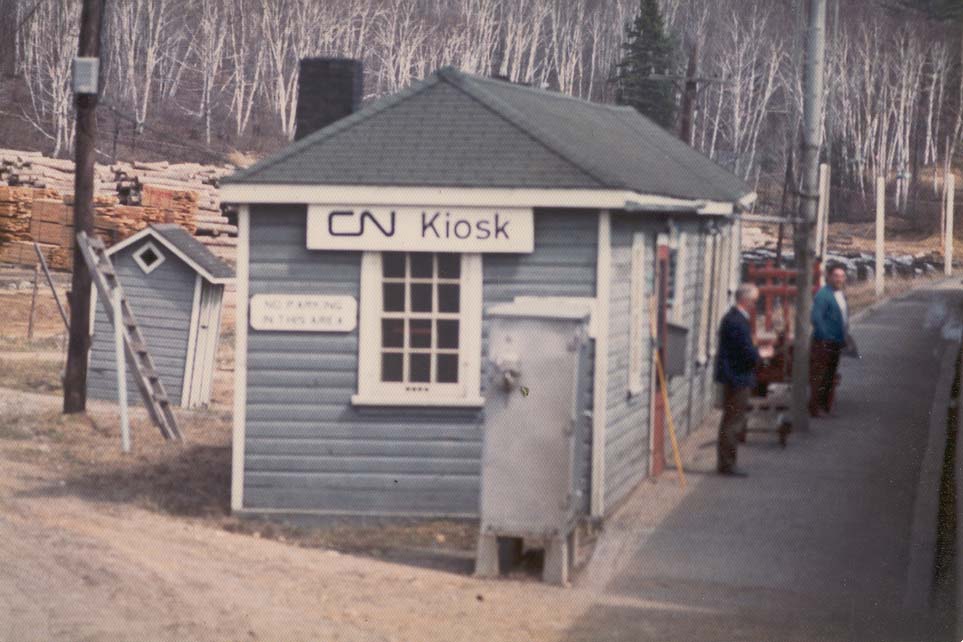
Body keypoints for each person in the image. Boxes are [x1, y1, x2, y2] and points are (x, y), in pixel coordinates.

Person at [714, 283, 773, 476]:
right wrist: (761, 353)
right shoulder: (738, 321)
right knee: (733, 422)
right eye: (754, 301)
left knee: (730, 420)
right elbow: (745, 352)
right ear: (745, 301)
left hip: (732, 375)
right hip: (737, 377)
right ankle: (728, 464)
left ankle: (726, 462)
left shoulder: (732, 318)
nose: (755, 306)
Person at [809, 264, 848, 417]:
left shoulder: (840, 294)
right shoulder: (823, 295)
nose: (839, 279)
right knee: (820, 375)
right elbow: (816, 318)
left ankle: (824, 406)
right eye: (836, 276)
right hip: (824, 342)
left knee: (830, 375)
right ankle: (815, 408)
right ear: (829, 277)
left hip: (836, 341)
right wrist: (825, 337)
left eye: (842, 276)